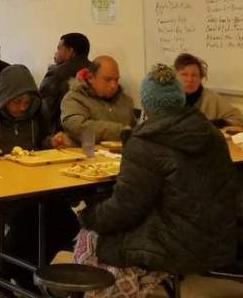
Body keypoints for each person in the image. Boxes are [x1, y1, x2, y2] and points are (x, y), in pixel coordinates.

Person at [75, 64, 238, 297]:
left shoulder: (146, 141)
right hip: (218, 237)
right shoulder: (211, 133)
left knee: (92, 236)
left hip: (174, 245)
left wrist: (88, 216)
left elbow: (125, 209)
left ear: (146, 105)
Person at [0, 65, 78, 297]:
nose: (22, 108)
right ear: (4, 96)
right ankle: (10, 274)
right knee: (29, 218)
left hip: (37, 184)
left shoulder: (37, 110)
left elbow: (42, 141)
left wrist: (52, 142)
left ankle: (14, 270)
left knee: (67, 223)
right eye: (17, 102)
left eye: (27, 102)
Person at [60, 56, 136, 144]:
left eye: (116, 80)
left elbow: (135, 130)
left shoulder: (125, 100)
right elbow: (78, 127)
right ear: (90, 78)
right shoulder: (74, 99)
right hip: (88, 151)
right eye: (108, 80)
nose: (113, 85)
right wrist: (121, 131)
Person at [174, 52, 243, 129]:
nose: (190, 80)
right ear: (175, 77)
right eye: (184, 74)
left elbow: (238, 119)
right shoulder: (166, 98)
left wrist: (208, 125)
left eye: (194, 75)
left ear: (200, 78)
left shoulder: (211, 97)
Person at [39, 32, 91, 128]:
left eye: (59, 49)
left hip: (63, 129)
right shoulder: (96, 71)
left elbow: (44, 108)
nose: (56, 53)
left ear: (70, 51)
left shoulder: (56, 73)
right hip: (91, 127)